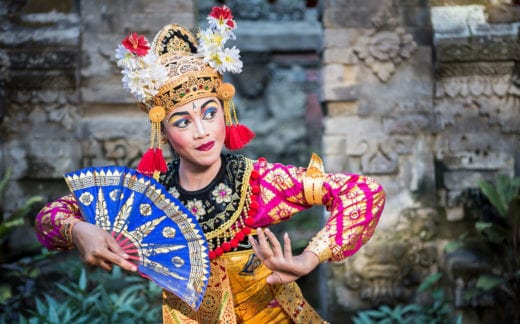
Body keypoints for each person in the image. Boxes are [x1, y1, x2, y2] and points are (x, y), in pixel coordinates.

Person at [35, 5, 386, 323]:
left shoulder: (257, 183)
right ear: (164, 132)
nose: (203, 132)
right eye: (183, 121)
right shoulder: (149, 193)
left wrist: (309, 259)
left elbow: (363, 192)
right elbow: (49, 217)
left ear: (224, 113)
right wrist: (79, 230)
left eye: (209, 113)